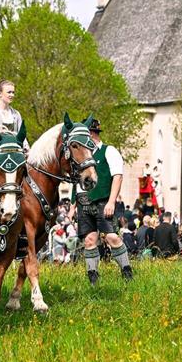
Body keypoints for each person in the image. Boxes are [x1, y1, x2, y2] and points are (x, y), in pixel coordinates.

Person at [76, 117, 133, 284]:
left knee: (112, 237)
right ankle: (93, 277)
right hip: (84, 201)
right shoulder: (81, 156)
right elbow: (77, 183)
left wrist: (111, 201)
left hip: (103, 200)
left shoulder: (109, 151)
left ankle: (126, 271)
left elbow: (118, 177)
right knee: (89, 240)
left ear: (92, 134)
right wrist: (74, 205)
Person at [0, 79, 29, 149]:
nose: (12, 95)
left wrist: (27, 147)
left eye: (13, 92)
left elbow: (21, 134)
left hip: (14, 148)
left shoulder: (16, 114)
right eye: (9, 92)